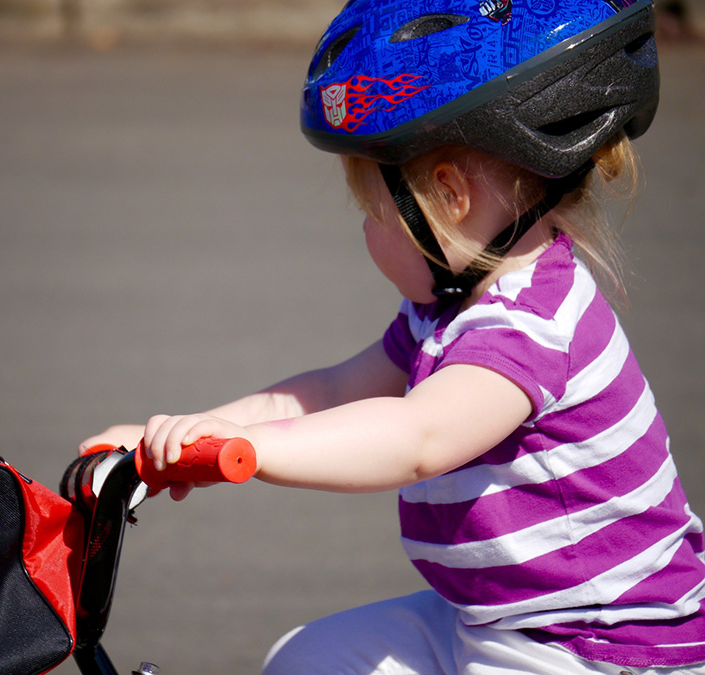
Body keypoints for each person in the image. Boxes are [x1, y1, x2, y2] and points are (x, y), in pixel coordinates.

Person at [81, 0, 705, 672]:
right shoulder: (448, 309)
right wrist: (182, 436)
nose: (364, 232)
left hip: (602, 648)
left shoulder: (533, 326)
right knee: (305, 660)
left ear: (448, 196)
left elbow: (416, 438)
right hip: (496, 616)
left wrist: (247, 451)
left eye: (373, 210)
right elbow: (328, 392)